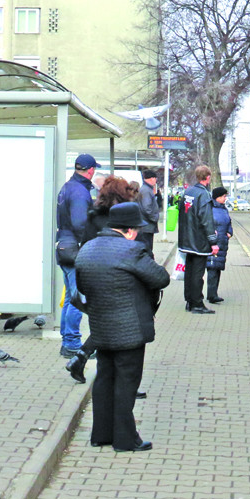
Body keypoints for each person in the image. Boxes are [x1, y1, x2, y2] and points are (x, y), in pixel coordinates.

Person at [75, 202, 170, 452]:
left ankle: (101, 434)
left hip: (101, 326)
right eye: (136, 229)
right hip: (129, 329)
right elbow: (161, 278)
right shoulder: (132, 250)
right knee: (127, 382)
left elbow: (82, 286)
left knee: (104, 378)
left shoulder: (87, 248)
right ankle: (126, 440)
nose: (137, 234)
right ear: (129, 230)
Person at [64, 177, 135, 384]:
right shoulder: (122, 218)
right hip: (116, 277)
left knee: (105, 324)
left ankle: (80, 358)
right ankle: (123, 380)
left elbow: (85, 246)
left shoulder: (93, 216)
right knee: (121, 328)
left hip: (94, 277)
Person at [55, 154, 97, 357]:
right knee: (78, 298)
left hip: (63, 245)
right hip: (74, 247)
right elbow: (80, 223)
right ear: (91, 170)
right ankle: (72, 342)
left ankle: (67, 340)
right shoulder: (80, 191)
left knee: (70, 298)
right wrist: (89, 246)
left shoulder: (67, 187)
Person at [178, 165, 220, 313]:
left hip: (186, 239)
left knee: (189, 271)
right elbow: (206, 220)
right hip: (199, 241)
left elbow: (181, 213)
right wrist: (213, 241)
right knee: (198, 273)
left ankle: (189, 301)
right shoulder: (204, 195)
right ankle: (197, 303)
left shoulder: (187, 192)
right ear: (208, 178)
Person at [206, 187, 233, 304]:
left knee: (217, 268)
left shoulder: (224, 209)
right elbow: (207, 224)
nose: (225, 198)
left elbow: (229, 222)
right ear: (217, 197)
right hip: (214, 244)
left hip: (222, 243)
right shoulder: (210, 209)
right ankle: (211, 295)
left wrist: (229, 232)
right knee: (212, 268)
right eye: (223, 196)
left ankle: (214, 293)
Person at [136, 169, 160, 257]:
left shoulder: (146, 189)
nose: (156, 180)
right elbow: (147, 208)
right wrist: (154, 218)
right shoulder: (146, 190)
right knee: (147, 248)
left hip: (146, 225)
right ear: (151, 178)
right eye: (155, 178)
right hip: (146, 226)